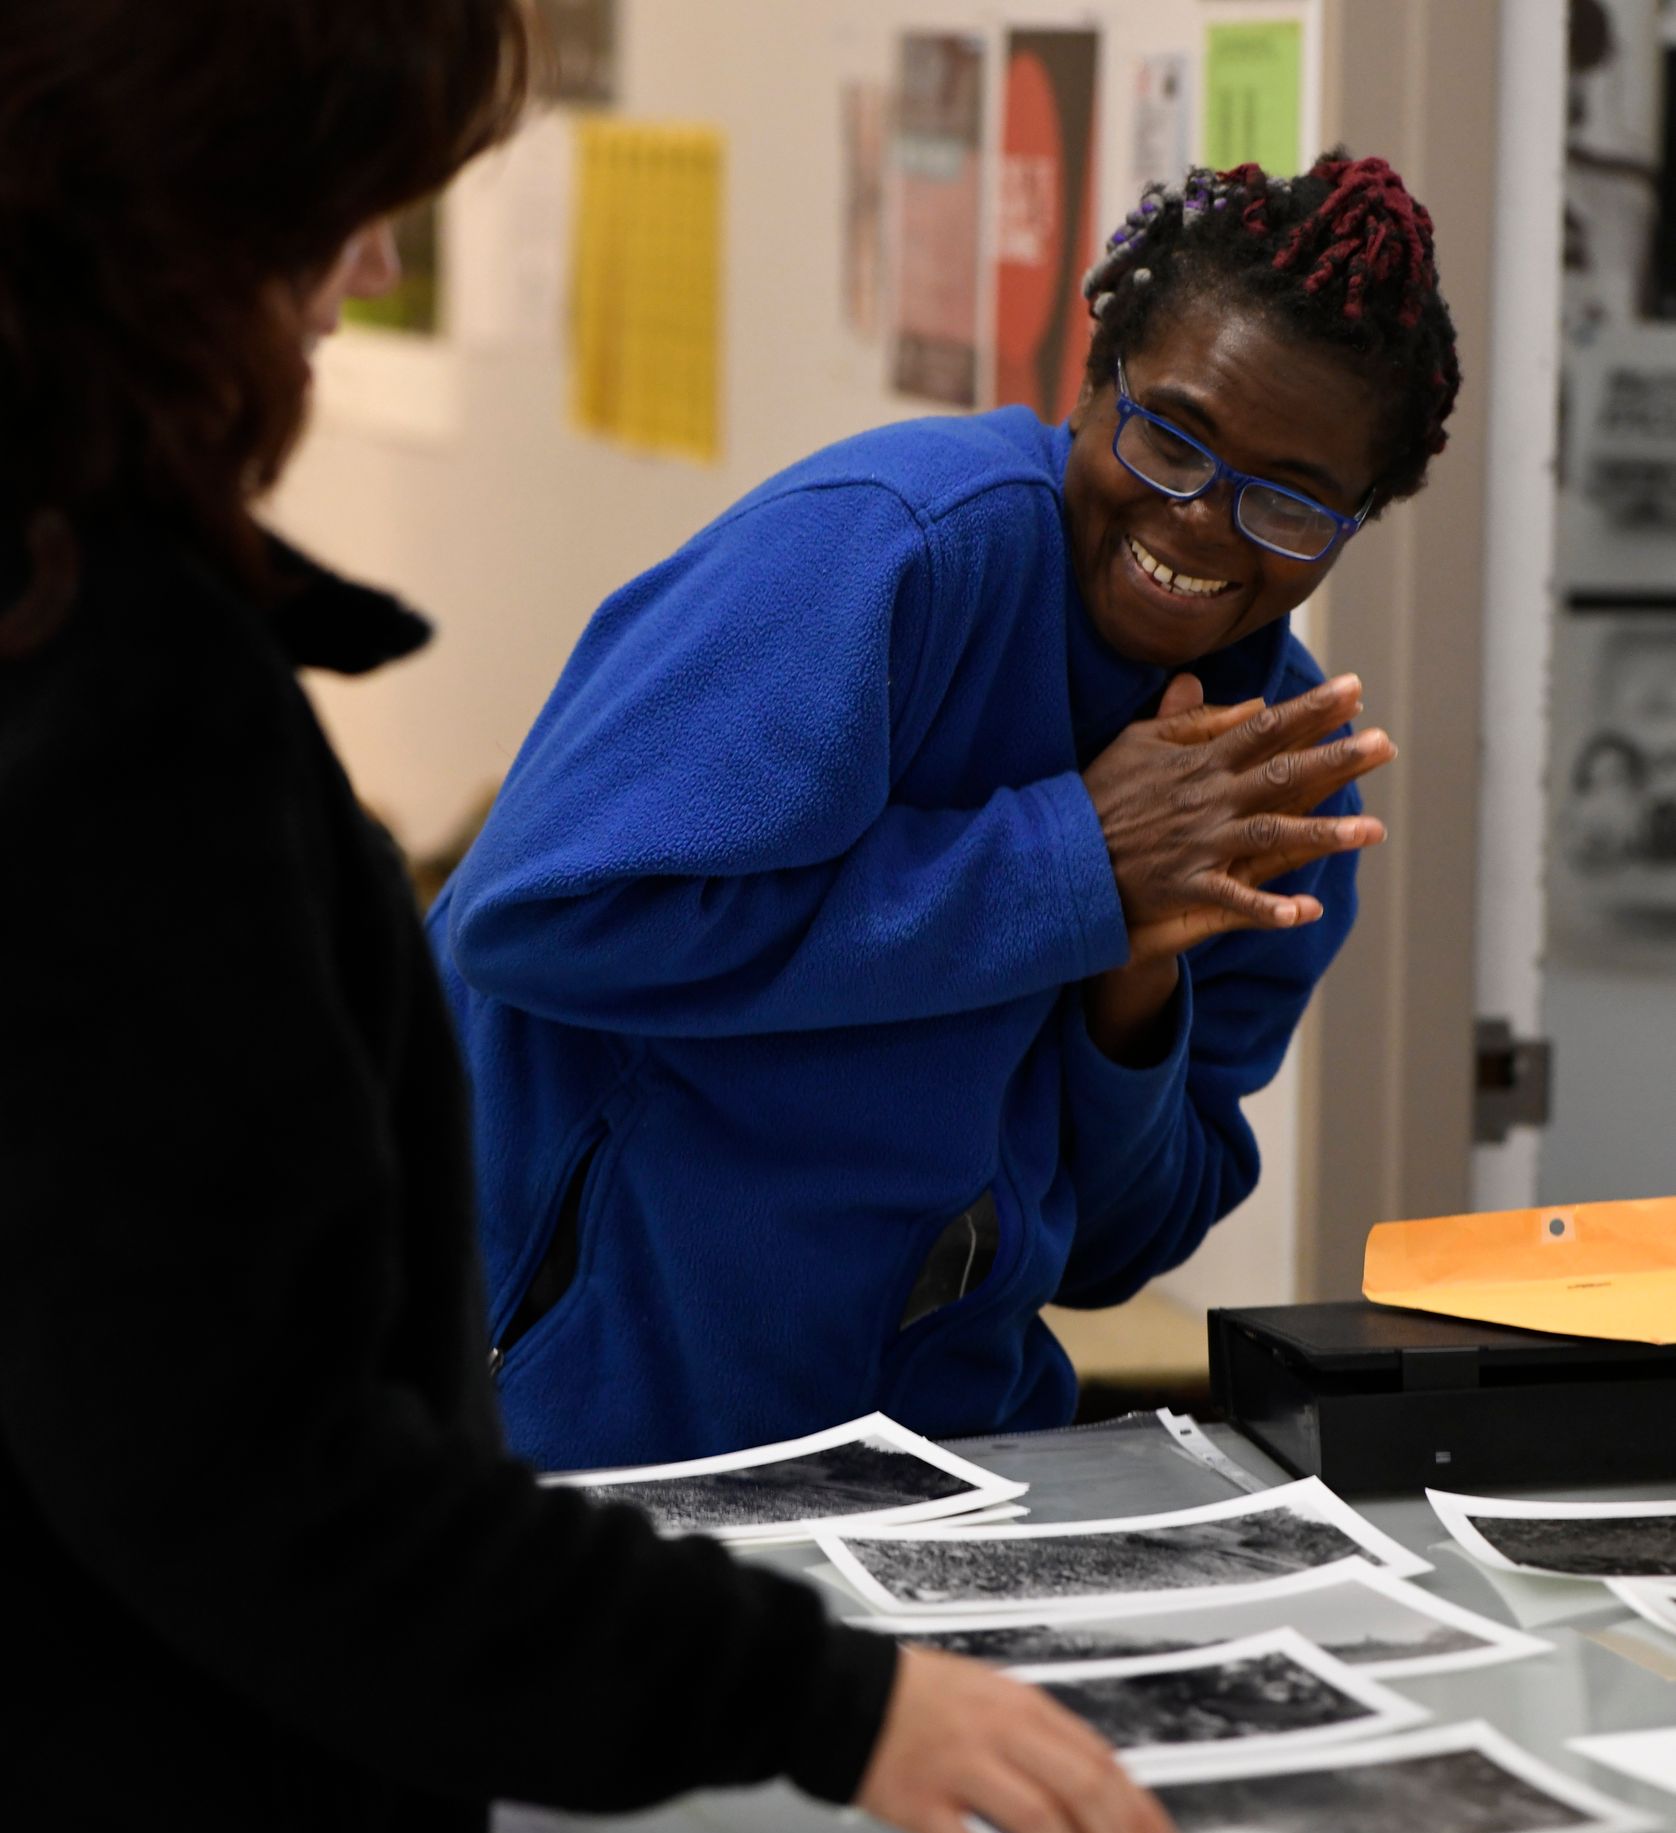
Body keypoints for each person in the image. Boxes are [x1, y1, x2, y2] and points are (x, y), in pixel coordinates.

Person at [0, 5, 1177, 1833]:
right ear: (178, 233)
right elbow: (244, 1469)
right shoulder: (120, 722)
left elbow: (1145, 1197)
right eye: (343, 217)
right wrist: (828, 1700)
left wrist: (1134, 986)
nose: (367, 274)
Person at [432, 153, 1459, 1473]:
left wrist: (1132, 989)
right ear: (1091, 386)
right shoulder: (899, 547)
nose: (1204, 522)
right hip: (579, 1427)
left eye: (1291, 500)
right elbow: (536, 921)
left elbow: (1113, 1253)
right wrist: (1071, 869)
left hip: (937, 1456)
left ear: (1357, 521)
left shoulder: (1273, 787)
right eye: (1170, 437)